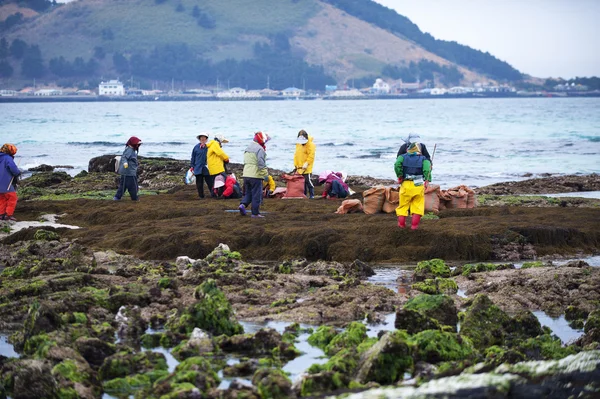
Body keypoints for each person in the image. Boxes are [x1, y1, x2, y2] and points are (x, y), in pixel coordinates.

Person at [394, 142, 432, 230]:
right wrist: (427, 180)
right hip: (418, 185)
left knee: (403, 206)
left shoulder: (402, 157)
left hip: (406, 184)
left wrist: (399, 176)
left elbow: (397, 165)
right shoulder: (424, 159)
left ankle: (401, 225)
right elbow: (427, 170)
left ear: (408, 149)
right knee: (417, 206)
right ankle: (414, 227)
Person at [239, 132, 270, 218]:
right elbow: (261, 163)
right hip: (255, 176)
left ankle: (243, 205)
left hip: (246, 174)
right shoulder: (260, 149)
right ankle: (255, 213)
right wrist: (265, 175)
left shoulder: (248, 148)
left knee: (248, 193)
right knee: (257, 194)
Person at [114, 136, 142, 201]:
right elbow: (124, 158)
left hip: (128, 172)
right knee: (133, 186)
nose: (138, 146)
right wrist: (125, 163)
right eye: (137, 144)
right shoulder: (129, 150)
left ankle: (117, 197)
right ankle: (134, 198)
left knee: (123, 186)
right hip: (129, 172)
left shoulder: (131, 150)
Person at [0, 143, 21, 221]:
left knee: (2, 199)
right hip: (6, 183)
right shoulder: (7, 158)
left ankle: (1, 214)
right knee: (12, 198)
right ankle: (8, 215)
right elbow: (13, 169)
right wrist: (18, 173)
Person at [294, 129, 316, 198]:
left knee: (307, 181)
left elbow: (311, 156)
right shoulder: (298, 144)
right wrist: (295, 164)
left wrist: (306, 163)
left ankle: (312, 194)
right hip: (299, 166)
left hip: (307, 167)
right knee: (302, 182)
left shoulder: (311, 145)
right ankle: (304, 194)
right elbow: (296, 154)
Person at [190, 133, 211, 199]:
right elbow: (193, 157)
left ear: (206, 139)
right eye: (201, 138)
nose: (203, 139)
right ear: (199, 139)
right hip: (198, 167)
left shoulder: (209, 147)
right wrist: (192, 166)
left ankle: (213, 194)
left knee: (210, 182)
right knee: (199, 183)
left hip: (206, 167)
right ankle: (201, 196)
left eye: (204, 138)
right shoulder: (196, 147)